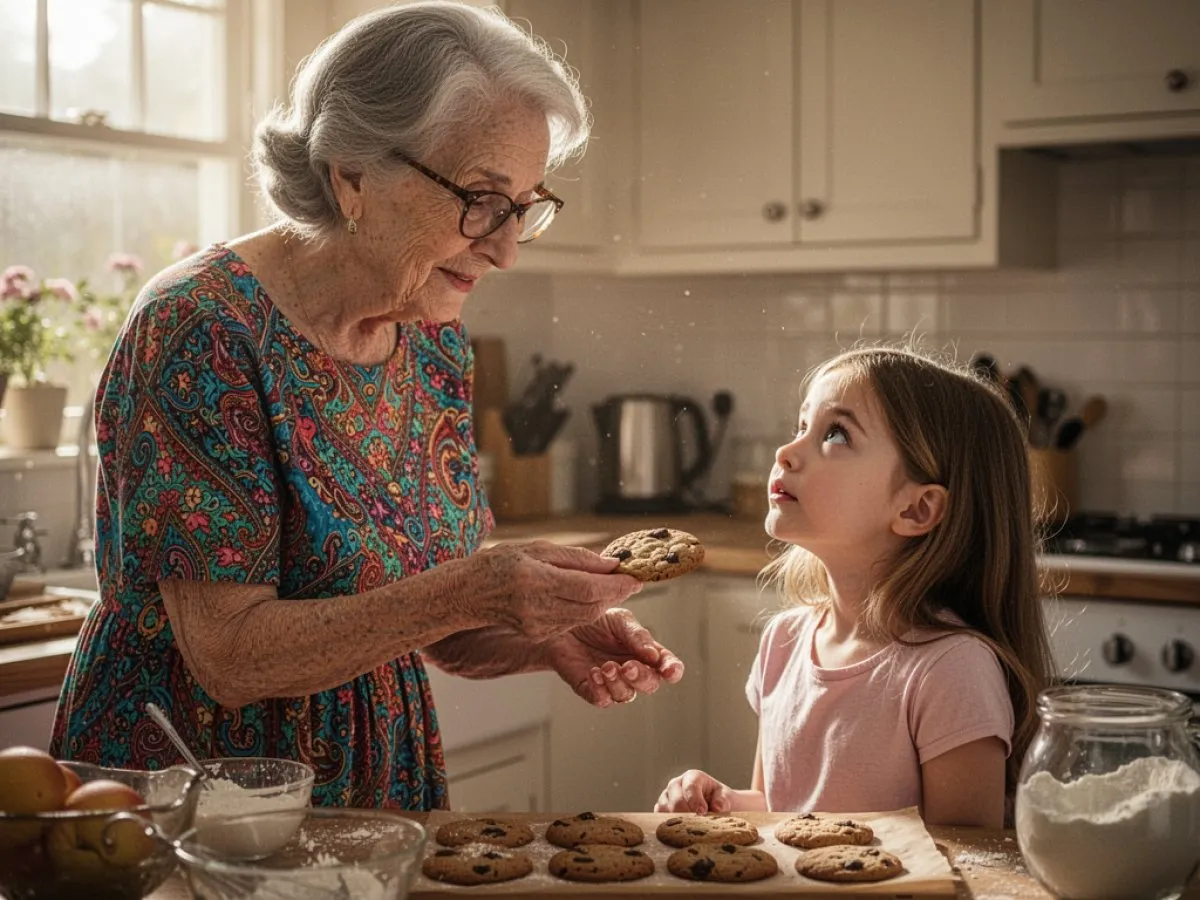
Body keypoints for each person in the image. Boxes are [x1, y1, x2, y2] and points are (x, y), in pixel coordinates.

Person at [51, 1, 684, 809]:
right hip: (198, 800)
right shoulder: (201, 329)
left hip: (374, 791)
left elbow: (428, 615)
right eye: (482, 199)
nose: (506, 246)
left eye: (525, 205)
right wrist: (475, 591)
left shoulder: (427, 332)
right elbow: (231, 657)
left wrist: (545, 634)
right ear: (351, 174)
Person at [655, 347, 1055, 827]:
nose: (786, 452)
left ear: (917, 510)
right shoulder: (783, 642)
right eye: (801, 427)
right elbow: (785, 813)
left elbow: (966, 865)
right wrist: (722, 803)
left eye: (836, 434)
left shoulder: (950, 672)